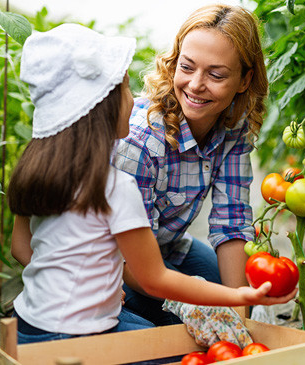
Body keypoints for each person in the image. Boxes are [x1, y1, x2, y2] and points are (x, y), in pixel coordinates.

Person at [8, 23, 296, 345]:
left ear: (244, 80)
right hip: (121, 273)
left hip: (28, 324)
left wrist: (237, 306)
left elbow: (21, 246)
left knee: (221, 306)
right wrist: (222, 299)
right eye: (126, 91)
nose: (136, 101)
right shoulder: (126, 170)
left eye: (216, 75)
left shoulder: (36, 166)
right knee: (178, 340)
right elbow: (154, 277)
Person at [113, 3, 270, 326]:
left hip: (168, 247)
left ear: (244, 80)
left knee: (241, 298)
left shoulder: (233, 128)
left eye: (216, 74)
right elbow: (130, 258)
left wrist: (238, 318)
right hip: (117, 263)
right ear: (173, 63)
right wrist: (208, 308)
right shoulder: (142, 140)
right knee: (185, 327)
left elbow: (231, 221)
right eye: (187, 67)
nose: (196, 85)